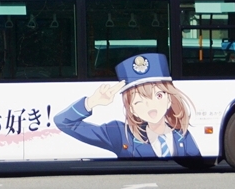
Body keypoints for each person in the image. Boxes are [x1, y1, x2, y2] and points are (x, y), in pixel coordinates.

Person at [55, 53, 200, 158]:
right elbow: (63, 122)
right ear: (131, 109)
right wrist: (92, 101)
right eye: (139, 101)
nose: (150, 105)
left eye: (158, 95)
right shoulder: (120, 134)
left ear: (169, 99)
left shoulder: (182, 135)